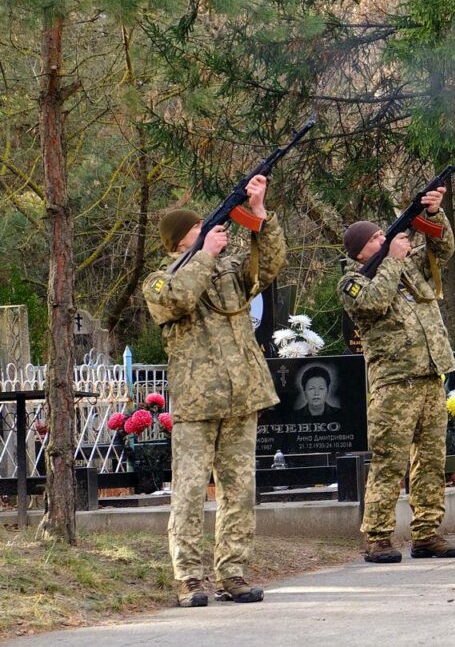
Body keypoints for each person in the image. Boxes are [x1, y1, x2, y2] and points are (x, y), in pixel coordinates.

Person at [143, 174, 285, 608]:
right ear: (178, 241)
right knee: (188, 492)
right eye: (197, 229)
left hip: (243, 394)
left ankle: (234, 572)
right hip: (197, 402)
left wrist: (260, 214)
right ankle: (188, 578)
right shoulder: (158, 282)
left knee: (239, 490)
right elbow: (181, 299)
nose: (209, 231)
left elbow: (270, 265)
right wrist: (204, 255)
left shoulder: (227, 271)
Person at [337, 186, 455, 563]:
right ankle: (377, 536)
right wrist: (391, 259)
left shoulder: (406, 267)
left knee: (430, 461)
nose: (385, 238)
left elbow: (443, 250)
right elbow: (373, 302)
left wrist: (435, 215)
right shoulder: (352, 281)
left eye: (384, 233)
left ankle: (426, 533)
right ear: (361, 250)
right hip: (394, 384)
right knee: (389, 462)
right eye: (376, 237)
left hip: (429, 376)